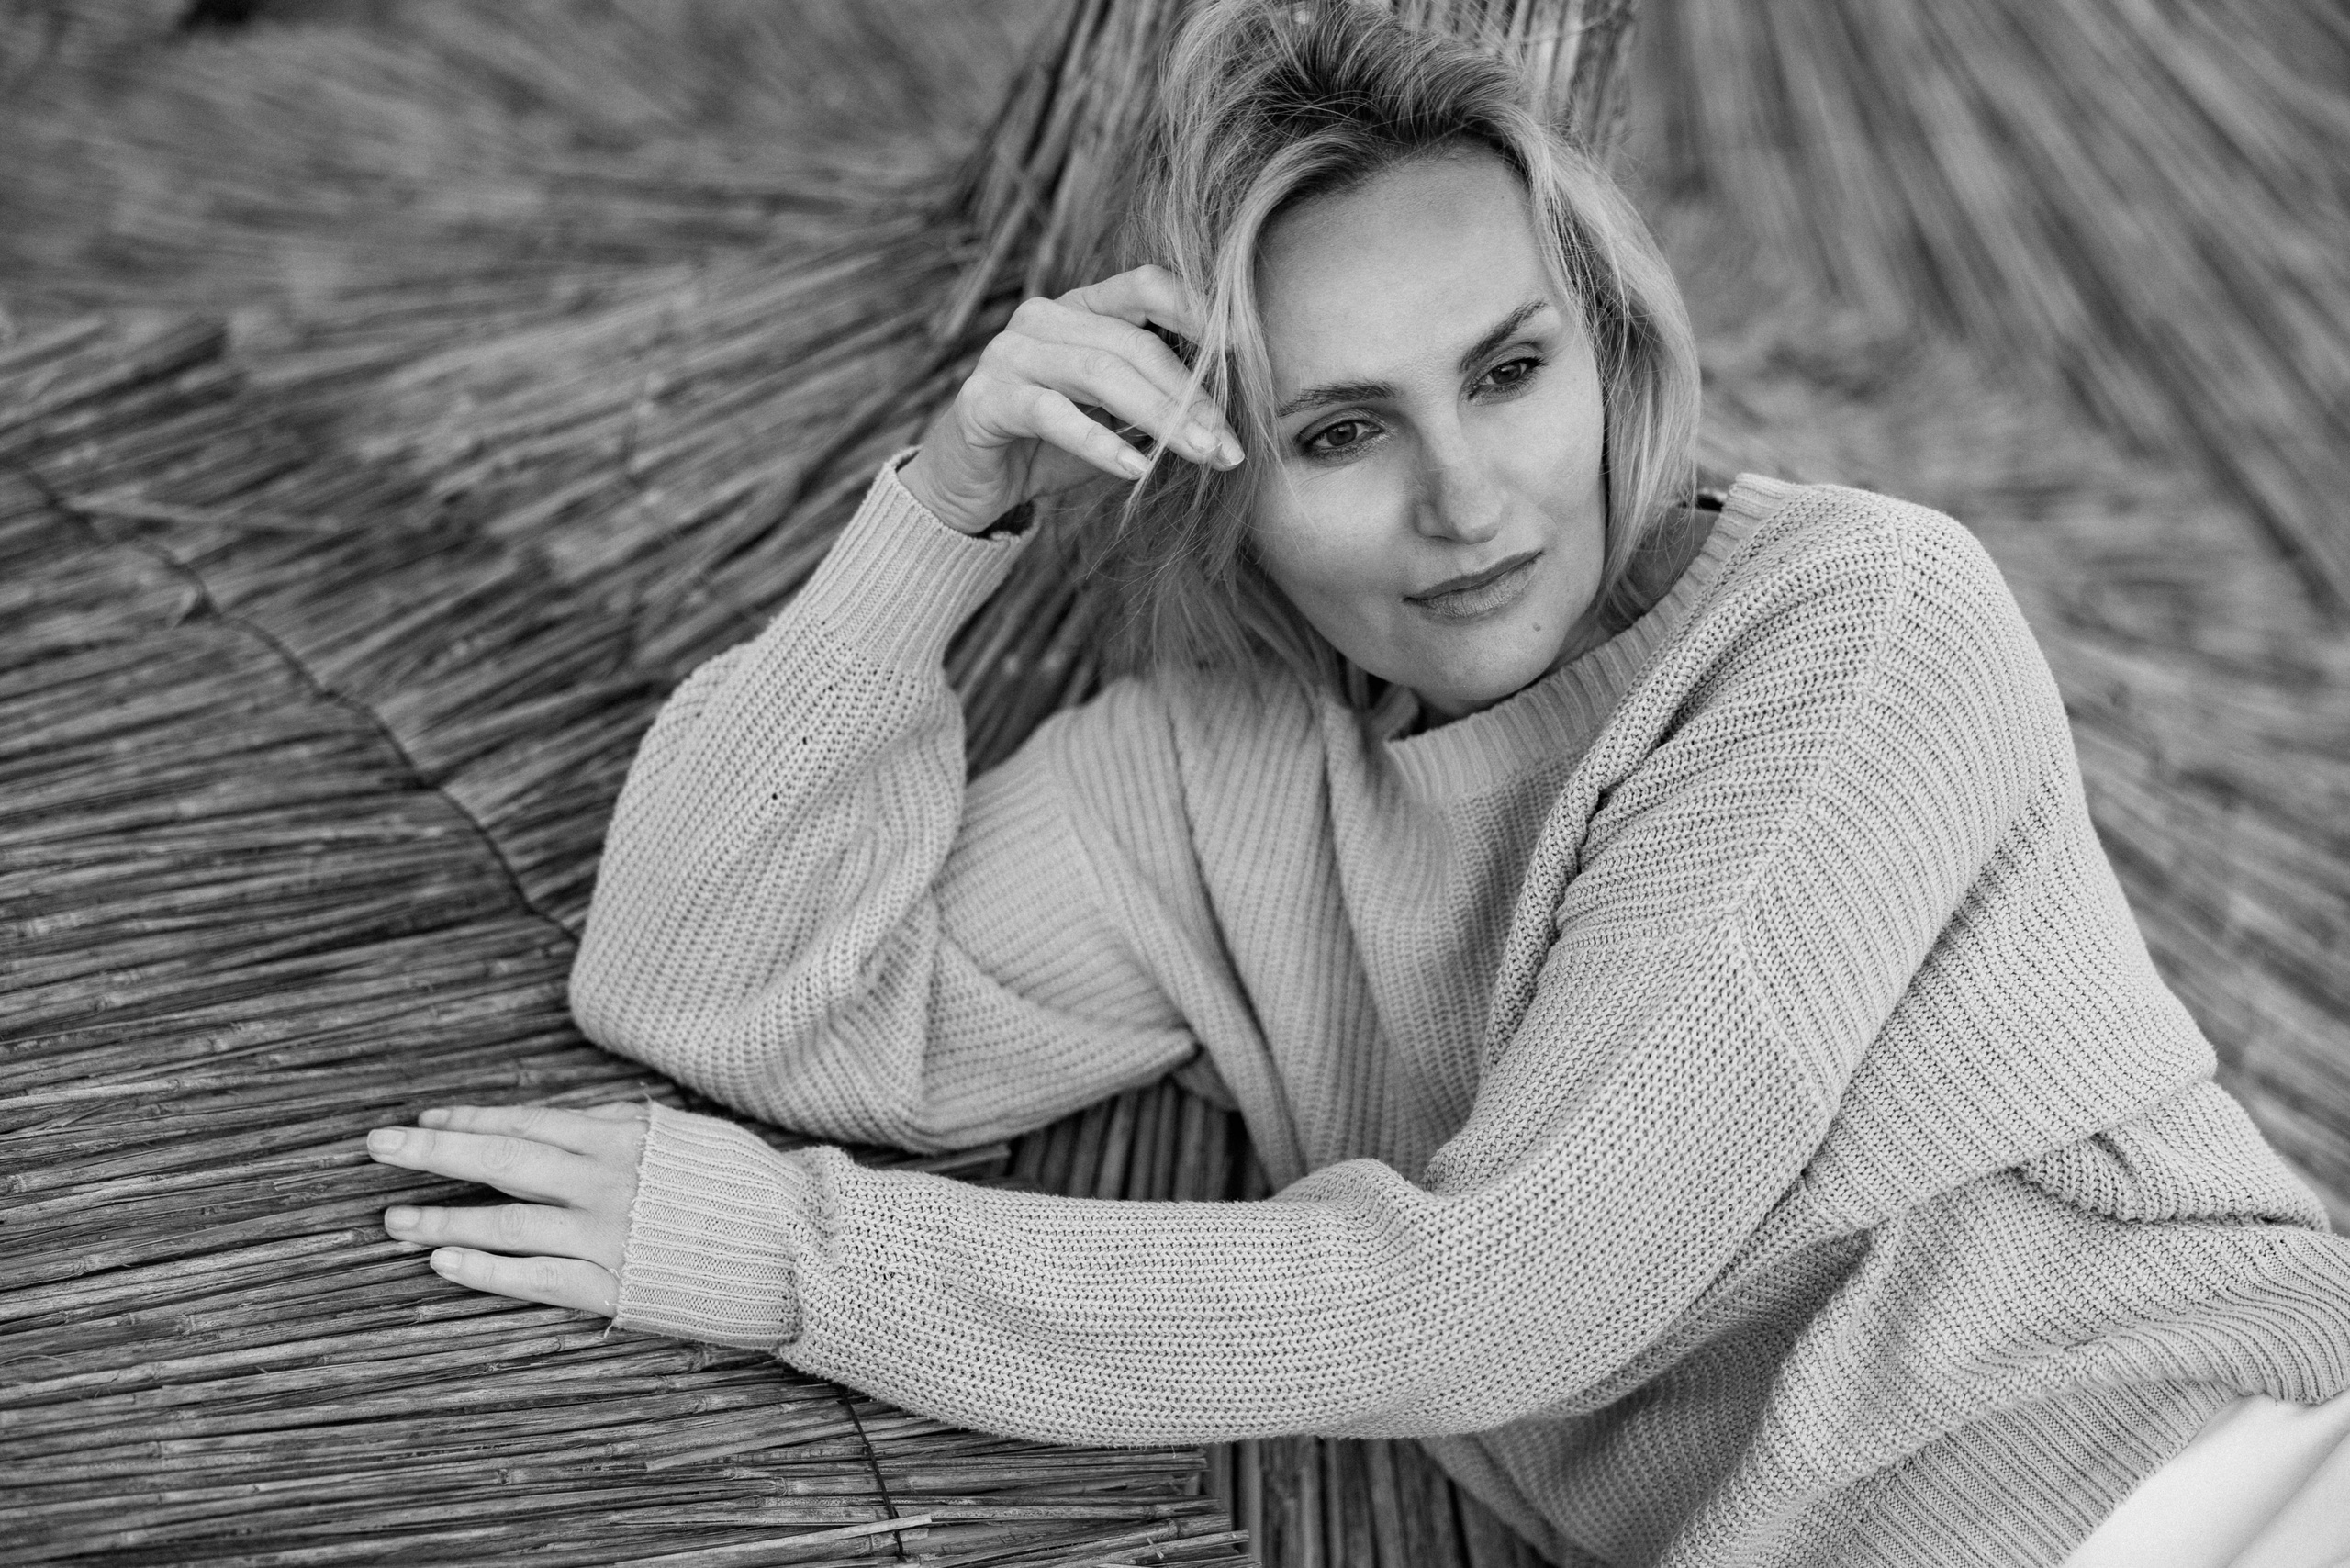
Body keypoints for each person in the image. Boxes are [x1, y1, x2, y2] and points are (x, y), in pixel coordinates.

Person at [361, 1, 2350, 1562]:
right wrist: (942, 505)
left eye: (1505, 371)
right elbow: (703, 984)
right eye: (1339, 430)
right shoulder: (1203, 776)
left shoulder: (1846, 628)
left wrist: (797, 1256)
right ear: (1213, 448)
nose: (1465, 501)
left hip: (2225, 1473)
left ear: (1604, 345)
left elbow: (1502, 1293)